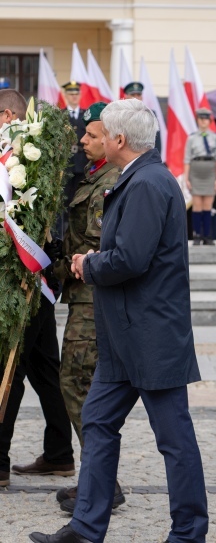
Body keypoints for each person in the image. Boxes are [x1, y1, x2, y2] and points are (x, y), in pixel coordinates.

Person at [29, 99, 208, 543]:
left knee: (174, 439)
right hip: (123, 336)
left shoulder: (147, 182)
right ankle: (86, 528)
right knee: (98, 423)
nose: (96, 140)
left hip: (150, 336)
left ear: (120, 140)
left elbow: (130, 258)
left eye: (102, 133)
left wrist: (88, 265)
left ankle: (188, 532)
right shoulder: (137, 177)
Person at [50, 102, 124, 514]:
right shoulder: (93, 177)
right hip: (83, 299)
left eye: (91, 135)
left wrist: (54, 264)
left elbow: (95, 250)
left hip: (92, 300)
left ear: (114, 138)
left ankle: (103, 482)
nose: (83, 141)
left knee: (78, 384)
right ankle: (99, 478)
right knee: (80, 385)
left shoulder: (111, 182)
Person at [0, 89, 75, 488]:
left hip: (24, 279)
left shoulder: (24, 153)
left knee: (8, 367)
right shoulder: (14, 152)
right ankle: (60, 452)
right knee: (45, 368)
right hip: (32, 279)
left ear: (9, 113)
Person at [184, 107, 216, 245]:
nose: (204, 121)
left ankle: (207, 236)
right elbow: (187, 159)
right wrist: (186, 178)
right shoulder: (192, 137)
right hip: (196, 170)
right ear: (198, 120)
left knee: (208, 205)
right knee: (197, 205)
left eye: (206, 119)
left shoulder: (215, 137)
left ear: (209, 121)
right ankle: (197, 235)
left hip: (210, 170)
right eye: (201, 119)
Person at [60, 81, 87, 235]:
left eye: (76, 94)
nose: (74, 97)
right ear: (66, 96)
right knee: (65, 201)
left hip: (82, 164)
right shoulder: (61, 116)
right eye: (71, 94)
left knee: (79, 199)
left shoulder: (85, 115)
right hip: (66, 165)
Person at [123, 81, 161, 153]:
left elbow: (157, 140)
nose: (136, 98)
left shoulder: (151, 114)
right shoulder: (119, 114)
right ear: (126, 96)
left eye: (139, 94)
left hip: (145, 156)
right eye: (133, 95)